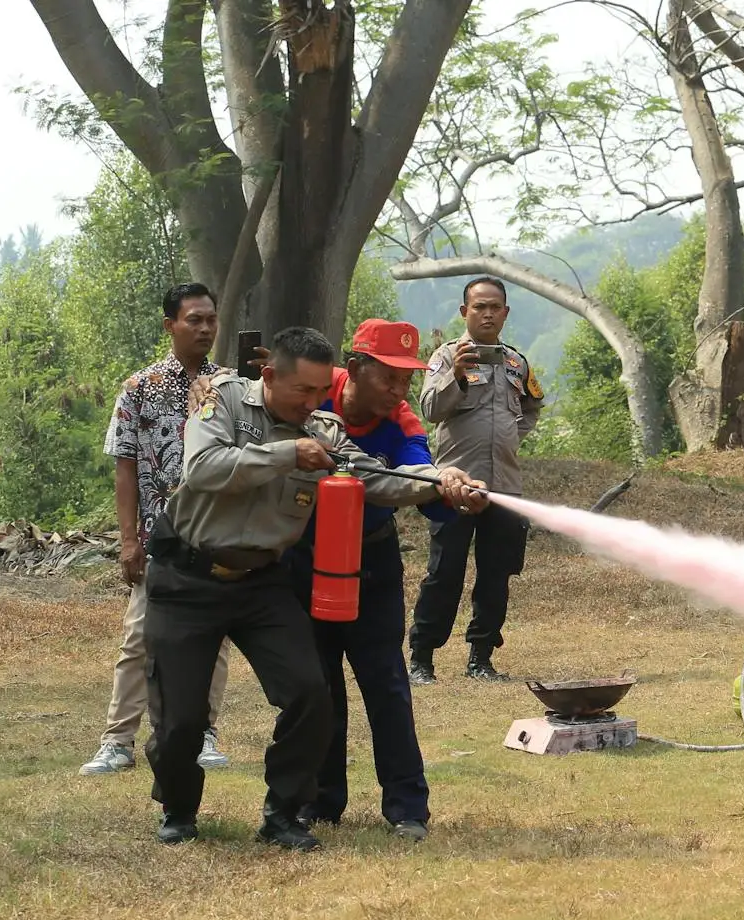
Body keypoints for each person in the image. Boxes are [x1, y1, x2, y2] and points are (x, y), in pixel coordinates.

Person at [142, 326, 488, 850]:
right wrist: (286, 455)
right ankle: (179, 807)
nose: (312, 402)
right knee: (182, 719)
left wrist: (440, 482)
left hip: (263, 584)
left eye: (319, 391)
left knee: (310, 694)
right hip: (188, 578)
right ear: (269, 375)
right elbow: (204, 468)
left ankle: (284, 812)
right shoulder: (225, 403)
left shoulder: (324, 431)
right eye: (302, 391)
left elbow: (375, 478)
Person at [279, 319, 453, 841]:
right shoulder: (311, 394)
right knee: (318, 685)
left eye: (407, 380)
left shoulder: (402, 422)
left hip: (370, 565)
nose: (401, 392)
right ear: (353, 370)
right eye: (390, 379)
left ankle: (407, 807)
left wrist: (445, 484)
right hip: (303, 560)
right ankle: (320, 801)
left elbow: (417, 474)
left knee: (386, 683)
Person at [82, 283, 235, 776]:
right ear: (170, 325)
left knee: (213, 638)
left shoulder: (231, 388)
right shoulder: (140, 389)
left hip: (217, 533)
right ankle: (118, 740)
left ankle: (205, 733)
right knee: (140, 637)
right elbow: (124, 467)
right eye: (194, 319)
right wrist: (129, 540)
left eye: (210, 319)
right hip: (159, 537)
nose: (205, 328)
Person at [410, 276, 545, 684]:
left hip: (504, 486)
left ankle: (481, 658)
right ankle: (422, 658)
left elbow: (533, 406)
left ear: (505, 312)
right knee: (443, 573)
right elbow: (430, 409)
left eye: (495, 307)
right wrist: (456, 375)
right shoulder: (446, 356)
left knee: (496, 574)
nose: (487, 313)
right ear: (463, 312)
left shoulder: (517, 363)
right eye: (479, 306)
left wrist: (511, 437)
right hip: (456, 486)